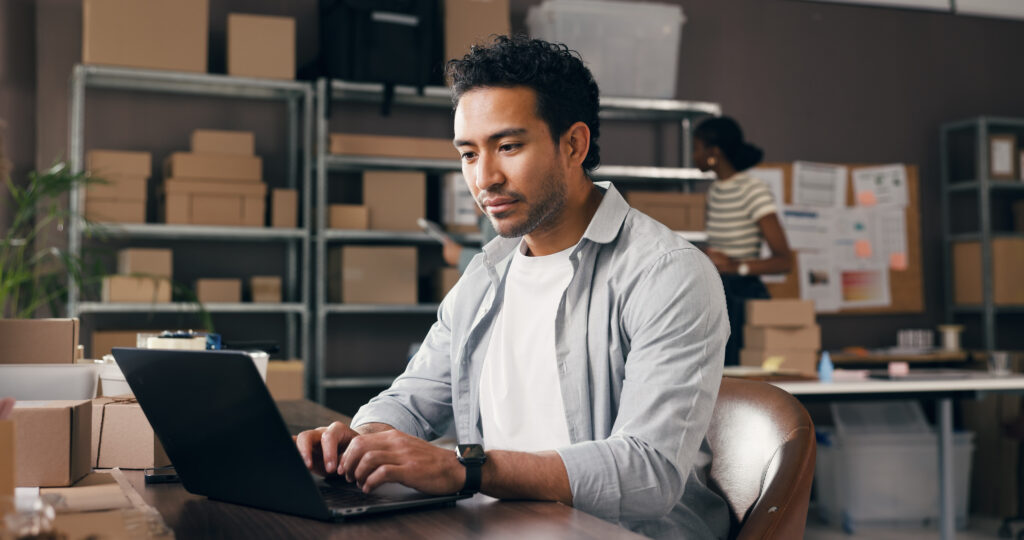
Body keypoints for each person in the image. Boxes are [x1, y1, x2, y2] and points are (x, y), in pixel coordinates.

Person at [296, 35, 730, 539]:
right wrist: (358, 442)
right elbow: (412, 400)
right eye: (468, 154)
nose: (484, 178)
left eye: (507, 146)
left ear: (574, 145)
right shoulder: (485, 275)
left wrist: (467, 468)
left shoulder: (667, 273)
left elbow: (649, 473)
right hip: (498, 524)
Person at [693, 116, 793, 366]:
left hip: (742, 295)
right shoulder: (715, 190)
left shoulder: (753, 189)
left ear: (713, 152)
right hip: (718, 292)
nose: (692, 155)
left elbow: (784, 261)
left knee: (740, 373)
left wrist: (734, 266)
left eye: (696, 148)